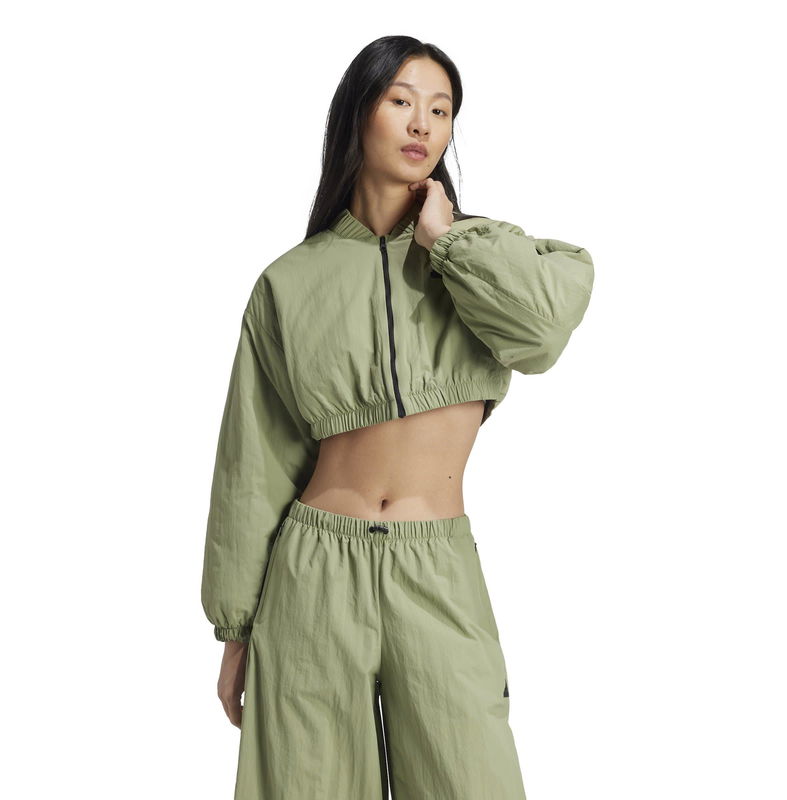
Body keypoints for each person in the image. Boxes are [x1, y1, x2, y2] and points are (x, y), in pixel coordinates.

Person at [200, 35, 594, 799]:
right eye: (401, 101)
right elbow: (253, 463)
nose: (422, 124)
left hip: (435, 566)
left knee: (471, 779)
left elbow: (542, 334)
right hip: (312, 573)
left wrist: (447, 241)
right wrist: (236, 629)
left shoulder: (485, 258)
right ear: (359, 114)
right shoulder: (290, 281)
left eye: (441, 111)